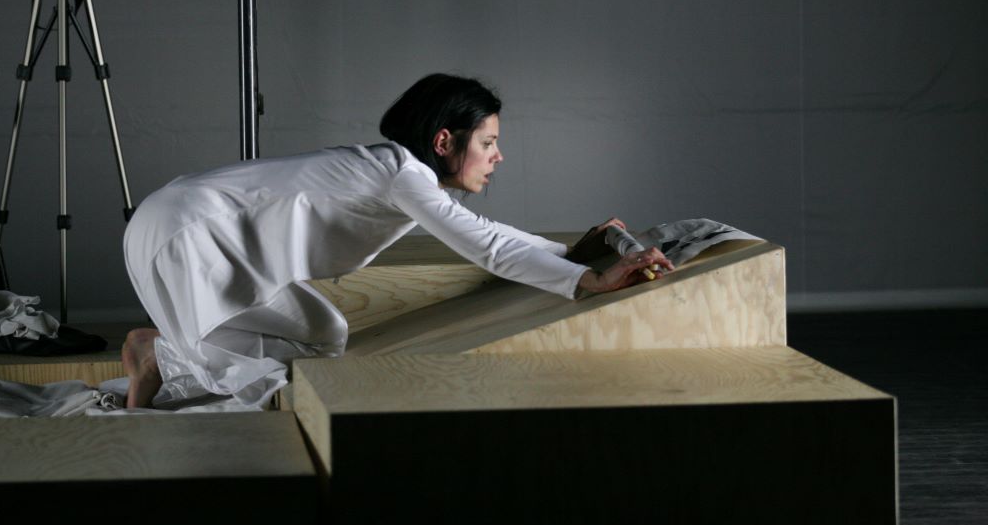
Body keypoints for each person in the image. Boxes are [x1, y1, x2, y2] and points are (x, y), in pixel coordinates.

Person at [121, 74, 672, 409]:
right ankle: (161, 355)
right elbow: (483, 244)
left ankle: (159, 352)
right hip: (190, 230)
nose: (498, 156)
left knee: (324, 334)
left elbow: (483, 230)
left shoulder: (401, 173)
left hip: (186, 225)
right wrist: (590, 280)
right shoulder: (402, 174)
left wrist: (569, 253)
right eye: (488, 142)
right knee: (252, 378)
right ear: (444, 140)